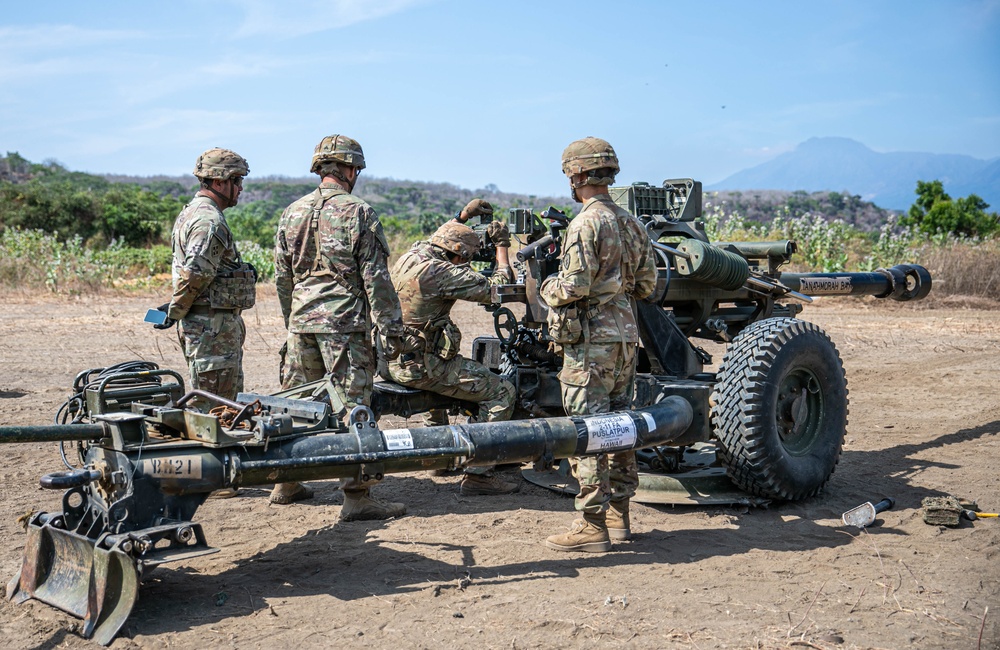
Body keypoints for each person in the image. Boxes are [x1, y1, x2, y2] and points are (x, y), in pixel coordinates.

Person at [273, 134, 420, 516]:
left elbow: (282, 278)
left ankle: (286, 480)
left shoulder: (292, 212)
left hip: (301, 322)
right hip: (344, 325)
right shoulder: (359, 212)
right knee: (355, 407)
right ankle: (357, 496)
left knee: (295, 403)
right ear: (350, 169)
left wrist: (294, 319)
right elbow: (376, 279)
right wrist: (391, 329)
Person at [540, 137, 657, 553]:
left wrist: (546, 286)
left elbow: (573, 286)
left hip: (590, 343)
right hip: (626, 336)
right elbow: (647, 285)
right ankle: (618, 516)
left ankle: (592, 526)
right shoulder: (632, 223)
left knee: (588, 430)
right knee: (620, 426)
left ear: (576, 177)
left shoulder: (585, 223)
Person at [387, 204, 519, 496]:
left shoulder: (413, 255)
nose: (467, 263)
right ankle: (479, 475)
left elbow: (439, 238)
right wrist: (502, 246)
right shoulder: (445, 272)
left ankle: (436, 458)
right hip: (422, 366)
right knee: (502, 392)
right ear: (458, 255)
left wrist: (462, 218)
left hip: (393, 358)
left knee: (443, 376)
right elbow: (500, 287)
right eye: (466, 258)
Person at [155, 147, 254, 407]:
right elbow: (196, 272)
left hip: (210, 325)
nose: (240, 187)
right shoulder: (209, 220)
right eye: (236, 180)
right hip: (212, 328)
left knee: (216, 401)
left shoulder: (192, 212)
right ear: (219, 181)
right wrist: (175, 310)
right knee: (219, 408)